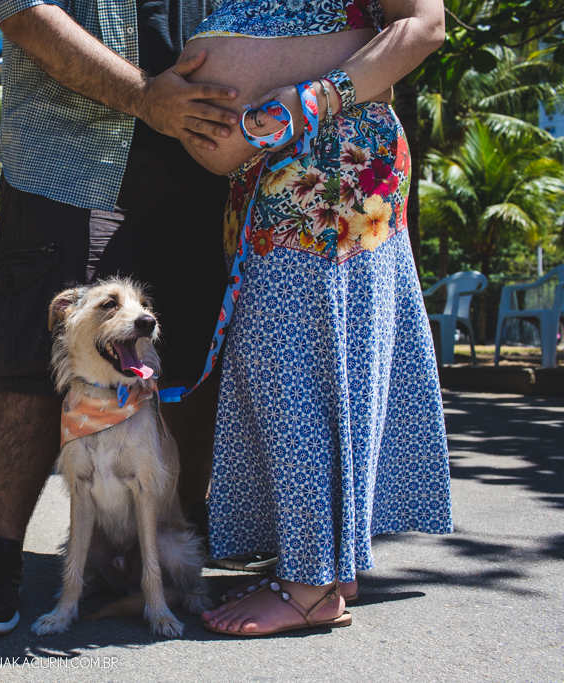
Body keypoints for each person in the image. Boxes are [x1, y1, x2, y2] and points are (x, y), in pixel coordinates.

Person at [0, 0, 242, 635]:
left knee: (191, 356)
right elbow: (24, 12)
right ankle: (0, 552)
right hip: (71, 167)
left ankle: (181, 536)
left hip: (206, 166)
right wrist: (145, 97)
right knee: (33, 360)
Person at [183, 0, 454, 636]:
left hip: (332, 175)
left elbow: (426, 23)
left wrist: (316, 98)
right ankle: (327, 559)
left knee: (298, 375)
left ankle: (309, 587)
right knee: (305, 369)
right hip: (272, 186)